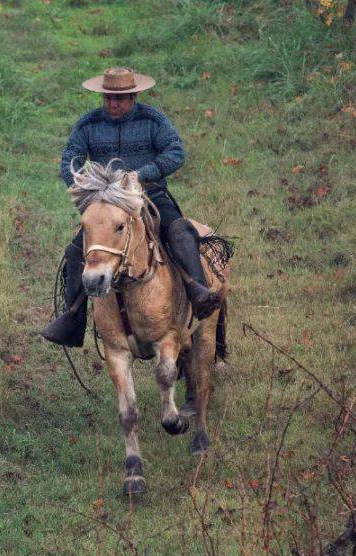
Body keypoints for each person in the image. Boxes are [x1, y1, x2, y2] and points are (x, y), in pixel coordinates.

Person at [41, 67, 222, 348]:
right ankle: (74, 318)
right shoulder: (88, 125)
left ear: (134, 95)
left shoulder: (153, 121)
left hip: (149, 195)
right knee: (76, 250)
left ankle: (198, 292)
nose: (113, 104)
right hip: (105, 200)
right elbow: (69, 160)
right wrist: (85, 186)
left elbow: (176, 151)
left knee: (179, 231)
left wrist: (143, 174)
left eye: (120, 98)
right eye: (109, 98)